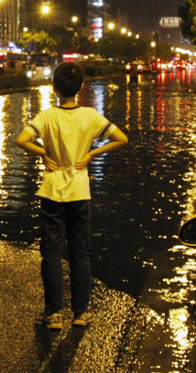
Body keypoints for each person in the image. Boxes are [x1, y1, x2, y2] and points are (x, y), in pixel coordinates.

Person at [14, 62, 128, 329]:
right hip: (79, 191)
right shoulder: (90, 115)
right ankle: (81, 313)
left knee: (51, 252)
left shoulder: (46, 116)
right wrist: (91, 154)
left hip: (52, 191)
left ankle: (53, 314)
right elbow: (121, 138)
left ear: (54, 88)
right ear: (81, 87)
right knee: (80, 251)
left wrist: (44, 153)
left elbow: (21, 140)